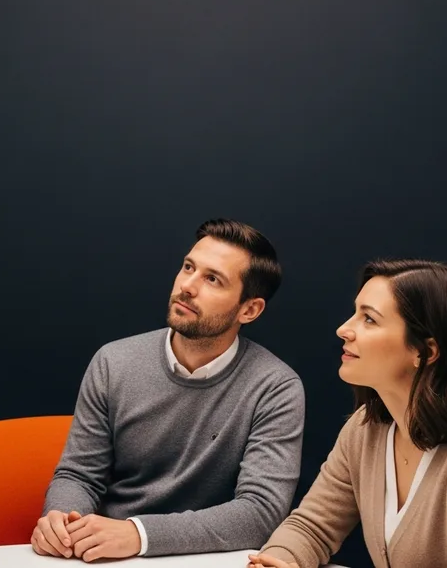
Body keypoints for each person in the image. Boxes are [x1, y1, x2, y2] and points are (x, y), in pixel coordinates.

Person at [248, 259, 447, 568]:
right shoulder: (366, 429)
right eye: (355, 313)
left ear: (425, 351)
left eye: (369, 319)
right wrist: (276, 561)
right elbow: (312, 527)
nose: (344, 329)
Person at [33, 219, 305, 562]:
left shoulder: (276, 388)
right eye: (188, 267)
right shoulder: (113, 362)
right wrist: (62, 520)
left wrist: (139, 534)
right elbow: (79, 475)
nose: (187, 286)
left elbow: (261, 512)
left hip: (207, 560)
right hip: (107, 557)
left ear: (249, 309)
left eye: (213, 279)